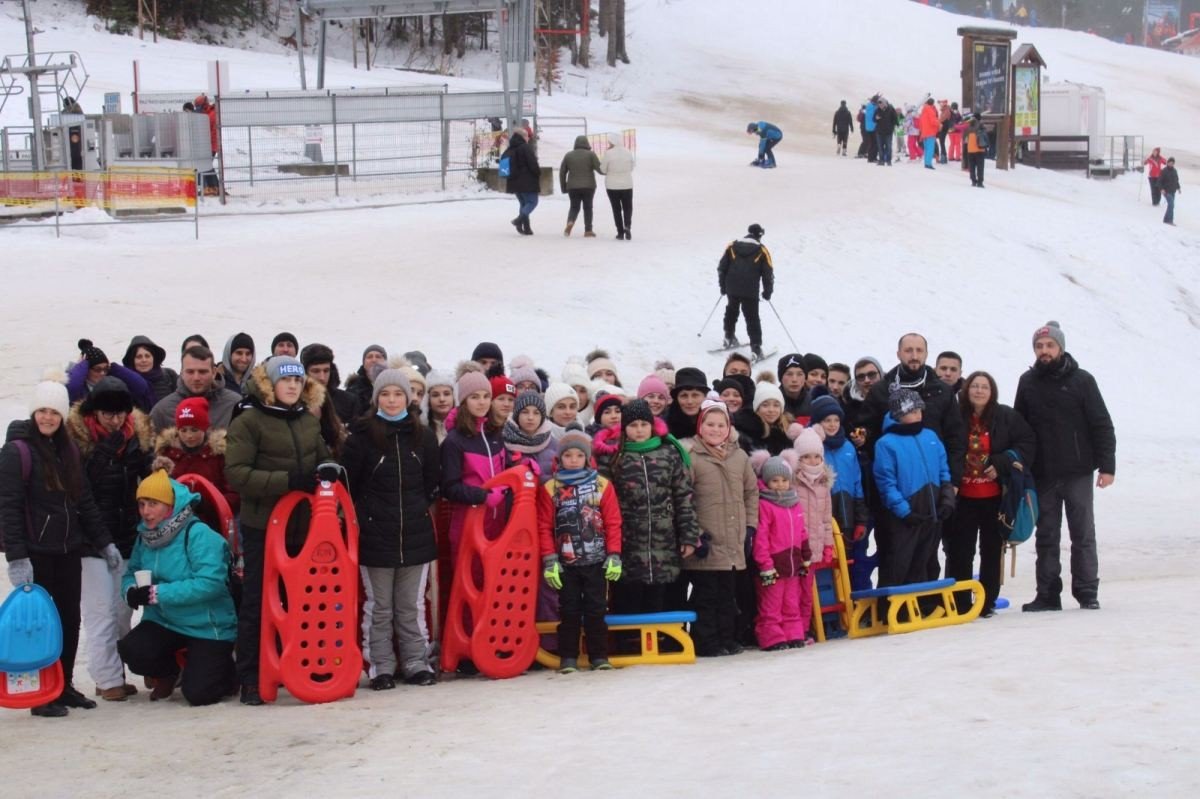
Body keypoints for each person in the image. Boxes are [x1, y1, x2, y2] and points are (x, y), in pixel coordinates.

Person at [2, 380, 117, 717]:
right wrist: (17, 557)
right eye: (43, 411)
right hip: (37, 551)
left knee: (69, 619)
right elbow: (8, 507)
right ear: (33, 412)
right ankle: (42, 694)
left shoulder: (68, 450)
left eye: (55, 412)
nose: (48, 417)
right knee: (40, 624)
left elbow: (85, 502)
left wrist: (104, 541)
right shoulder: (16, 452)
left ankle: (63, 685)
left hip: (68, 548)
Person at [224, 355, 332, 704]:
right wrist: (288, 482)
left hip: (304, 527)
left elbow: (322, 458)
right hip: (264, 527)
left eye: (298, 381)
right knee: (259, 601)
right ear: (270, 384)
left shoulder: (307, 421)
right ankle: (252, 677)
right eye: (285, 381)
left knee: (303, 599)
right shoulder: (249, 420)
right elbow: (237, 474)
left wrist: (328, 471)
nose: (292, 386)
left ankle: (299, 664)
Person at [342, 369, 441, 689]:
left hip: (415, 532)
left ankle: (416, 661)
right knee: (380, 606)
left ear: (408, 397)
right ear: (376, 399)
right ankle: (381, 666)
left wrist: (415, 510)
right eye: (385, 394)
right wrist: (367, 517)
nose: (392, 400)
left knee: (411, 605)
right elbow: (350, 486)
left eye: (398, 394)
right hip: (375, 535)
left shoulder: (422, 436)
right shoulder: (361, 437)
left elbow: (431, 482)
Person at [1014, 322, 1115, 612]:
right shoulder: (1028, 381)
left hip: (1078, 471)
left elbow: (1101, 424)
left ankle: (1086, 592)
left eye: (1049, 346)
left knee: (1082, 533)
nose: (1044, 351)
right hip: (1043, 473)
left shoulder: (1082, 380)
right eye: (1039, 346)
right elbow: (1020, 426)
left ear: (1060, 347)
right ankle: (1047, 593)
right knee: (1046, 535)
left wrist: (1107, 466)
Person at [116, 470, 237, 705]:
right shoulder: (146, 536)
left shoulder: (198, 533)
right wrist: (130, 590)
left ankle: (226, 671)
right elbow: (132, 572)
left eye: (153, 504)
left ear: (171, 505)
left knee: (200, 694)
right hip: (164, 620)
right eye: (142, 504)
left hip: (207, 624)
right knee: (132, 649)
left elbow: (210, 584)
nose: (146, 512)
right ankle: (168, 672)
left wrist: (156, 593)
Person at [66, 376, 154, 702]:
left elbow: (147, 480)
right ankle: (107, 678)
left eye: (120, 413)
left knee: (121, 610)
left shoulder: (137, 439)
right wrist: (104, 452)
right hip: (91, 541)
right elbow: (81, 495)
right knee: (98, 610)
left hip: (128, 535)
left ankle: (114, 673)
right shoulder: (79, 443)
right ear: (95, 412)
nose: (115, 420)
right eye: (108, 414)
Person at [946, 371, 1035, 618]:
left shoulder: (1006, 416)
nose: (979, 391)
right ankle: (960, 601)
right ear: (967, 390)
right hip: (963, 496)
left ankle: (986, 602)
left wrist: (1003, 461)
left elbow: (1027, 442)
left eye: (985, 387)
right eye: (975, 386)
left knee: (992, 550)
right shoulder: (957, 416)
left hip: (995, 496)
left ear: (992, 391)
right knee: (960, 551)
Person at [538, 424, 623, 673]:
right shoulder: (550, 488)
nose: (573, 460)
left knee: (597, 610)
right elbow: (544, 526)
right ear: (559, 458)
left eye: (578, 455)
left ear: (587, 458)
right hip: (566, 563)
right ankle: (568, 657)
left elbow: (613, 521)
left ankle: (599, 655)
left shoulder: (602, 485)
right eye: (568, 455)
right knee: (569, 610)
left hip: (597, 562)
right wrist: (550, 560)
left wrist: (614, 554)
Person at [604, 400, 701, 616]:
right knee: (628, 599)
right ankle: (628, 644)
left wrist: (688, 535)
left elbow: (683, 496)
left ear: (652, 425)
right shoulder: (614, 457)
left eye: (643, 425)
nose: (639, 430)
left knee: (659, 600)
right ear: (624, 428)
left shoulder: (668, 453)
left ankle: (661, 643)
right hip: (628, 543)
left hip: (664, 541)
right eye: (633, 425)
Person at [681, 398, 758, 657]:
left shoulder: (739, 457)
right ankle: (706, 641)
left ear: (729, 427)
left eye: (720, 424)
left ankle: (728, 638)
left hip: (733, 541)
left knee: (728, 595)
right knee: (706, 595)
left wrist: (750, 527)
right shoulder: (691, 456)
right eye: (709, 424)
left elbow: (751, 493)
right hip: (707, 539)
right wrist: (692, 534)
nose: (715, 429)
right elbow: (683, 498)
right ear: (700, 426)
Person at [872, 390, 955, 615]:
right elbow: (886, 482)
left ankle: (925, 604)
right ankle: (890, 609)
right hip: (906, 513)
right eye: (911, 411)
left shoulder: (930, 436)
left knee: (927, 557)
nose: (917, 414)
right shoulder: (886, 443)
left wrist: (947, 499)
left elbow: (943, 470)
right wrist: (904, 511)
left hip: (933, 508)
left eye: (918, 410)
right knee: (900, 560)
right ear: (898, 414)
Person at [749, 451, 810, 650]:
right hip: (773, 564)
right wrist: (765, 563)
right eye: (775, 480)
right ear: (766, 482)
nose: (780, 484)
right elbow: (761, 538)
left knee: (791, 601)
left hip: (792, 561)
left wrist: (805, 553)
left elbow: (801, 530)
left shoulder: (794, 503)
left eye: (784, 479)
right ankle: (771, 637)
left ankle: (793, 634)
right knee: (771, 603)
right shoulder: (765, 504)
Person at [810, 394, 870, 590]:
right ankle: (827, 612)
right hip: (823, 512)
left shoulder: (847, 446)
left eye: (836, 420)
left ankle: (848, 605)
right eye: (827, 420)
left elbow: (856, 482)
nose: (832, 424)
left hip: (848, 510)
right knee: (826, 563)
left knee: (847, 560)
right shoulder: (812, 446)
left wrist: (861, 519)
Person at [152, 397, 240, 514]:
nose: (189, 436)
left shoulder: (218, 455)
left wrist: (210, 505)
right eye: (183, 430)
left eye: (194, 430)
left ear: (204, 428)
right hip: (174, 520)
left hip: (212, 519)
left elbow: (234, 493)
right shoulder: (167, 454)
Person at [151, 345, 243, 432]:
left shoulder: (235, 405)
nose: (196, 378)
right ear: (182, 372)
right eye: (190, 372)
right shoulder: (162, 411)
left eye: (202, 372)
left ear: (214, 372)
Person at [718, 223, 774, 360]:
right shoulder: (762, 250)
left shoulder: (732, 246)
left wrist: (723, 287)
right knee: (752, 318)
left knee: (731, 311)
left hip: (732, 287)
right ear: (759, 235)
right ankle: (756, 348)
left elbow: (722, 268)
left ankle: (729, 336)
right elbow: (768, 274)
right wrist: (767, 292)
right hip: (750, 291)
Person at [67, 339, 154, 412]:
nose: (102, 373)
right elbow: (72, 388)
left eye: (105, 369)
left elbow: (141, 386)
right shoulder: (80, 388)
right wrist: (83, 364)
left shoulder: (111, 382)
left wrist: (113, 367)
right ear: (86, 370)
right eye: (97, 369)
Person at [300, 343, 360, 424]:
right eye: (316, 371)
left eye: (326, 370)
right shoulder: (295, 401)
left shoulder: (349, 401)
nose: (322, 377)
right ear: (305, 372)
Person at [559, 135, 602, 238]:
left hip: (573, 186)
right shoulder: (591, 155)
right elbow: (600, 169)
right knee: (588, 208)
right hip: (588, 186)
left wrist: (563, 187)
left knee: (574, 207)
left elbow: (562, 172)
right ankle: (588, 230)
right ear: (587, 143)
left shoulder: (568, 155)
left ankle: (570, 222)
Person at [503, 130, 541, 235]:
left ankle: (526, 228)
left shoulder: (511, 148)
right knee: (532, 202)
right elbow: (532, 164)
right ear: (523, 137)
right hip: (527, 181)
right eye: (527, 136)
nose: (528, 138)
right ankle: (519, 220)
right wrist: (538, 172)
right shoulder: (525, 147)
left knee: (524, 204)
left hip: (514, 182)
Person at [122, 335, 178, 406]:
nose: (144, 360)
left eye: (147, 356)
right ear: (132, 360)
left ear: (154, 358)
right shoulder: (126, 382)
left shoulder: (170, 375)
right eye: (139, 357)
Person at [599, 135, 635, 240]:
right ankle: (627, 226)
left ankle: (620, 232)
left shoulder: (608, 153)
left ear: (613, 143)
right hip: (627, 185)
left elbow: (603, 169)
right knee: (628, 208)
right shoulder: (628, 152)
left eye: (609, 142)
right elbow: (632, 167)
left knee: (616, 209)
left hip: (612, 186)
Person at [345, 344, 388, 417]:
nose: (374, 360)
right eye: (369, 357)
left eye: (378, 356)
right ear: (364, 363)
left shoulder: (394, 383)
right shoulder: (353, 388)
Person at [966, 117, 989, 188]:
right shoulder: (981, 129)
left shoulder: (968, 130)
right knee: (980, 167)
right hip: (980, 151)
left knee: (972, 167)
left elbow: (965, 140)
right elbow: (986, 139)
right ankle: (980, 182)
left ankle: (973, 181)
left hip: (970, 151)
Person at [874, 99, 897, 166]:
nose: (880, 106)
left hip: (888, 132)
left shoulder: (891, 109)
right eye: (879, 105)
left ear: (884, 103)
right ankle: (881, 160)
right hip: (879, 132)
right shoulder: (877, 110)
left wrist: (891, 127)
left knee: (888, 146)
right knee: (880, 147)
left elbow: (895, 119)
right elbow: (873, 119)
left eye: (881, 104)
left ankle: (888, 160)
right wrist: (876, 118)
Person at [919, 97, 940, 169]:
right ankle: (928, 164)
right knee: (930, 149)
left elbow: (920, 123)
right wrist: (939, 123)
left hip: (924, 133)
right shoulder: (930, 110)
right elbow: (933, 121)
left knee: (926, 149)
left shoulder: (923, 110)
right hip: (930, 132)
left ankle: (926, 162)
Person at [1160, 157, 1181, 226]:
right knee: (1171, 205)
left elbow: (1176, 181)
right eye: (1170, 163)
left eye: (1172, 163)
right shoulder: (1164, 171)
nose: (1171, 164)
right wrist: (1162, 189)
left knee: (1170, 205)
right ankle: (1170, 220)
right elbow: (1159, 181)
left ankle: (1165, 219)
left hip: (1172, 191)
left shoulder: (1174, 171)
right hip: (1166, 191)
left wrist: (1178, 188)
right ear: (1167, 163)